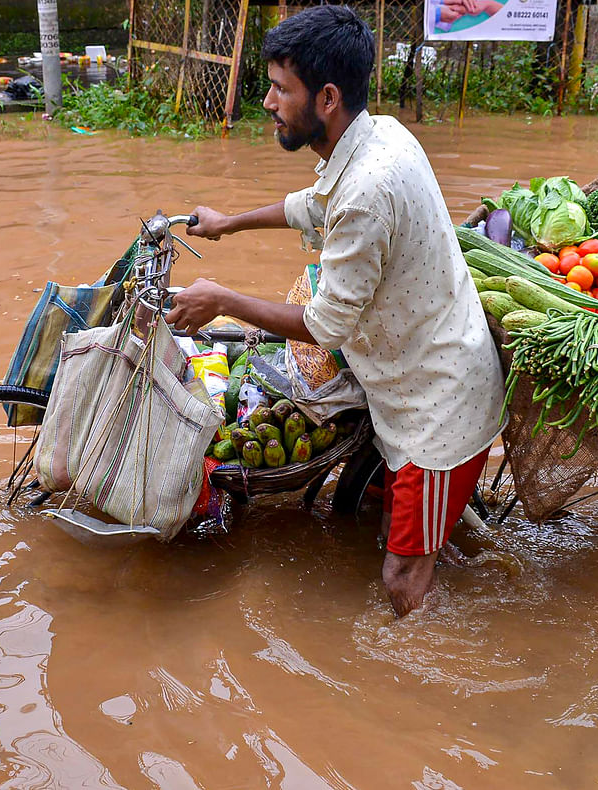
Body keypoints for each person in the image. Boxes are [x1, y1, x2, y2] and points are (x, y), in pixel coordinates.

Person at [164, 5, 505, 617]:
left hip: (436, 409)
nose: (268, 101)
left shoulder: (370, 190)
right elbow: (312, 204)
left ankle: (417, 682)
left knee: (402, 576)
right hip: (403, 376)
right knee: (382, 516)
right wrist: (228, 224)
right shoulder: (377, 134)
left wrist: (222, 301)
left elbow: (324, 327)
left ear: (325, 98)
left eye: (279, 88)